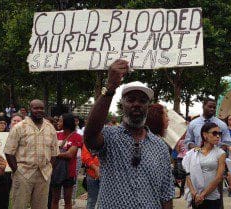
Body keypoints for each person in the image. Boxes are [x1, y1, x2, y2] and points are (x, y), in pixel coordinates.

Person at [84, 59, 175, 208]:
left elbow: (166, 194)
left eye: (142, 100)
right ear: (122, 104)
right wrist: (110, 87)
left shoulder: (160, 147)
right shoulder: (110, 137)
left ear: (148, 106)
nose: (136, 104)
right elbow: (90, 137)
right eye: (131, 99)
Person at [4, 99, 59, 209]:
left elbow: (54, 153)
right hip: (23, 173)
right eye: (36, 108)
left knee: (41, 207)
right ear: (30, 109)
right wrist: (17, 171)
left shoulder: (50, 128)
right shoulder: (19, 127)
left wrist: (49, 168)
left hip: (44, 175)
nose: (39, 110)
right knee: (19, 206)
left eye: (41, 108)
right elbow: (9, 151)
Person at [183, 122, 226, 209]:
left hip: (212, 198)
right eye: (214, 133)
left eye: (219, 134)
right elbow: (188, 174)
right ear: (205, 135)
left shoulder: (221, 153)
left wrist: (203, 195)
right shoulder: (194, 152)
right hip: (195, 197)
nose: (218, 136)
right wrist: (194, 193)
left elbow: (218, 178)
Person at [51, 113, 82, 209]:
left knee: (67, 201)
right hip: (56, 171)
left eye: (60, 120)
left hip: (69, 172)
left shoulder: (77, 137)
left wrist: (53, 153)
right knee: (54, 199)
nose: (58, 122)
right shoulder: (56, 135)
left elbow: (70, 154)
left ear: (67, 122)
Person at [82, 144, 100, 209]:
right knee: (91, 199)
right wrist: (95, 168)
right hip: (92, 174)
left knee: (104, 200)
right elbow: (85, 157)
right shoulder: (89, 140)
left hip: (107, 176)